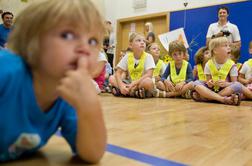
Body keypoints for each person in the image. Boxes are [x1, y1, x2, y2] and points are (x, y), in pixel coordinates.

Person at [0, 0, 106, 163]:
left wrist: (90, 106)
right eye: (68, 35)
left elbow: (92, 154)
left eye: (92, 41)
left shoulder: (67, 97)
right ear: (31, 41)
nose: (84, 48)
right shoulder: (6, 69)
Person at [192, 37, 242, 105]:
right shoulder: (209, 64)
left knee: (238, 85)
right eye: (225, 45)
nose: (229, 47)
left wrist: (226, 84)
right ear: (215, 50)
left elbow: (234, 83)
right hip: (212, 89)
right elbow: (208, 82)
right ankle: (222, 99)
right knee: (196, 83)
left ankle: (208, 98)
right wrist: (210, 83)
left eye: (229, 45)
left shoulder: (232, 65)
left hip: (225, 90)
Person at [109, 32, 155, 98]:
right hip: (129, 83)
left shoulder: (148, 56)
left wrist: (134, 83)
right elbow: (118, 72)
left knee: (148, 82)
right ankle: (132, 92)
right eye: (138, 40)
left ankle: (127, 92)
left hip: (140, 83)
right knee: (111, 78)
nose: (142, 42)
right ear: (131, 45)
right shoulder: (127, 56)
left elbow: (149, 74)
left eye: (144, 41)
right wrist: (122, 86)